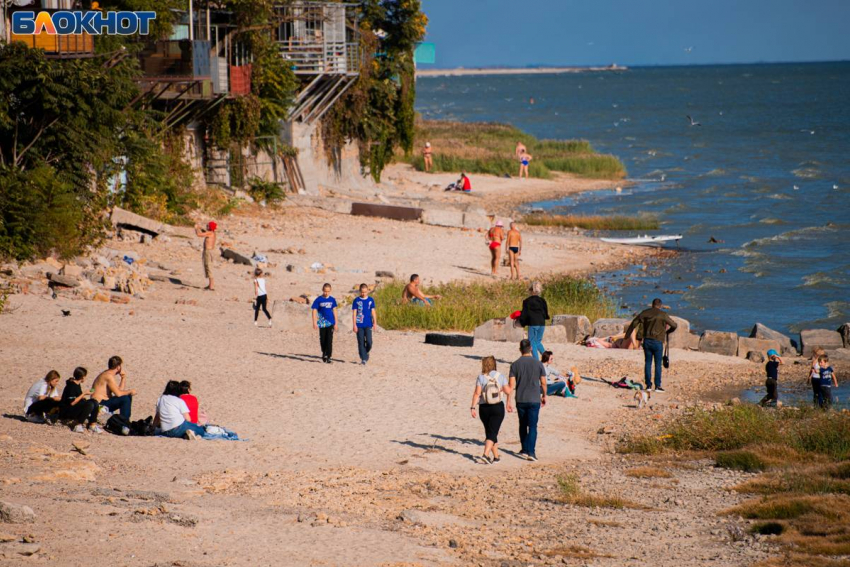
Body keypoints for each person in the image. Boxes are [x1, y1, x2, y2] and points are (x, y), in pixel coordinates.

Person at [624, 299, 678, 392]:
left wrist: (627, 335)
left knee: (648, 363)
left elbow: (634, 322)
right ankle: (657, 386)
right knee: (658, 364)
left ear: (652, 305)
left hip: (647, 341)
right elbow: (674, 325)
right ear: (660, 305)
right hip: (657, 342)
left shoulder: (645, 313)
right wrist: (667, 332)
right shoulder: (663, 314)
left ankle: (648, 386)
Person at [509, 339, 547, 461]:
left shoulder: (515, 365)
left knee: (522, 425)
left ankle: (524, 449)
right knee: (533, 426)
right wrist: (544, 395)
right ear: (531, 348)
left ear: (520, 350)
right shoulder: (538, 364)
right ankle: (531, 452)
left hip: (520, 399)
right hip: (534, 399)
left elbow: (511, 385)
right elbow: (543, 382)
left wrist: (508, 401)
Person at [470, 356, 512, 464]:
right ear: (494, 364)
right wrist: (508, 401)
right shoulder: (500, 376)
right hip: (497, 407)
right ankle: (485, 455)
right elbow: (508, 391)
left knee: (491, 432)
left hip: (484, 408)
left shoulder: (481, 377)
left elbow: (477, 393)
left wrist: (473, 407)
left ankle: (496, 457)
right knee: (492, 432)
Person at [58, 367, 103, 433]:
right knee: (89, 404)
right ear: (82, 377)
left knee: (95, 402)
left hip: (75, 407)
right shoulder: (71, 386)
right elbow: (72, 403)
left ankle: (92, 425)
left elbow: (78, 398)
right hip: (67, 410)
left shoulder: (77, 384)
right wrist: (84, 393)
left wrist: (83, 397)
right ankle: (78, 425)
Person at [519, 281, 549, 360]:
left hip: (533, 323)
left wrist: (522, 322)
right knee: (538, 342)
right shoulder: (543, 300)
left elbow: (525, 314)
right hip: (542, 323)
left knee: (532, 342)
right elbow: (546, 313)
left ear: (530, 290)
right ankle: (547, 357)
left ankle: (536, 361)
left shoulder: (527, 301)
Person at [312, 283, 338, 364]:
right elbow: (314, 310)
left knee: (329, 340)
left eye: (328, 291)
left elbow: (335, 311)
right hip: (322, 322)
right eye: (325, 291)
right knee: (322, 339)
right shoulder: (318, 299)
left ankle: (329, 356)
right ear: (322, 290)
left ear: (330, 291)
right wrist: (314, 322)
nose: (326, 293)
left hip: (330, 322)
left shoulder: (332, 300)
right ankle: (324, 352)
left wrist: (336, 322)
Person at [352, 283, 377, 365]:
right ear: (359, 291)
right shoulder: (356, 300)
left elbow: (373, 312)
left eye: (365, 292)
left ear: (368, 291)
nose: (363, 294)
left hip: (368, 323)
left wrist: (375, 323)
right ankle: (363, 359)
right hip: (359, 324)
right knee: (361, 342)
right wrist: (354, 325)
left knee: (369, 342)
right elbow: (354, 313)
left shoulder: (371, 300)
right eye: (362, 292)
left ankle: (365, 352)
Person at [195, 221, 217, 291]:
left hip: (208, 251)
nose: (206, 227)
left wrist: (196, 228)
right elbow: (204, 231)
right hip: (209, 251)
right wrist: (200, 227)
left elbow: (199, 234)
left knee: (208, 267)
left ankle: (211, 286)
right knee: (207, 267)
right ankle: (210, 285)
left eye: (207, 226)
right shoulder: (212, 233)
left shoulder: (209, 233)